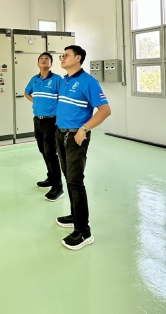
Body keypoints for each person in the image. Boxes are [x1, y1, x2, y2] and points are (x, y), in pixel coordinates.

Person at [55, 45, 111, 251]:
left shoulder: (89, 82)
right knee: (68, 177)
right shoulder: (65, 80)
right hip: (60, 134)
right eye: (62, 55)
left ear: (78, 58)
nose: (62, 58)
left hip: (75, 137)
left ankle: (84, 231)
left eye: (66, 55)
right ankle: (74, 216)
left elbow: (105, 110)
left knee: (75, 181)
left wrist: (84, 129)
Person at [24, 52, 64, 201]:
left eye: (47, 59)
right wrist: (35, 101)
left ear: (51, 64)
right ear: (38, 63)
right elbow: (26, 92)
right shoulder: (34, 79)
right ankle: (51, 178)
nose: (44, 60)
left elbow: (64, 97)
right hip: (38, 120)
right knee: (43, 150)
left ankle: (58, 187)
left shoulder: (57, 79)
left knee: (51, 152)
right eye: (41, 58)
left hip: (51, 121)